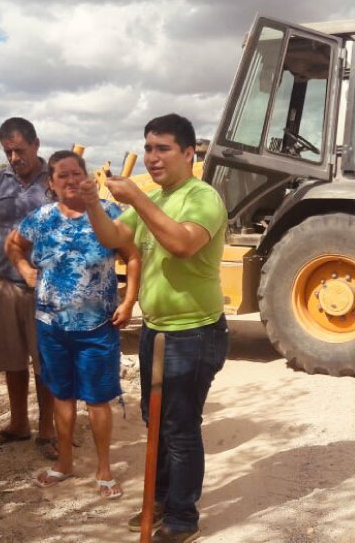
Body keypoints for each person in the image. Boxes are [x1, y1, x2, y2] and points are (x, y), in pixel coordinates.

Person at [79, 113, 228, 543]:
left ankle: (182, 519)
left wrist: (138, 198)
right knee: (156, 420)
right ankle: (160, 499)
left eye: (162, 148)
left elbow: (182, 244)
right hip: (157, 329)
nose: (152, 157)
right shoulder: (155, 200)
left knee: (180, 426)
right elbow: (112, 238)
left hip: (194, 332)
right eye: (147, 148)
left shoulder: (201, 197)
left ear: (188, 153)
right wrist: (93, 203)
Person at [6, 150, 141, 499]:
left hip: (98, 325)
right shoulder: (41, 218)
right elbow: (14, 246)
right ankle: (64, 463)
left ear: (88, 178)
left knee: (97, 400)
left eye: (75, 173)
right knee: (62, 397)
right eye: (61, 175)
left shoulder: (110, 213)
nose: (69, 180)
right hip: (51, 325)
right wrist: (25, 270)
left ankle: (104, 469)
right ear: (51, 183)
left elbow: (134, 255)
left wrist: (129, 301)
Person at [0, 117, 57, 460]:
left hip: (44, 285)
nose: (14, 158)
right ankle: (18, 424)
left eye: (20, 150)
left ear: (36, 144)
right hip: (1, 283)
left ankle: (48, 430)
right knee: (11, 357)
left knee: (46, 360)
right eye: (8, 152)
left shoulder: (55, 182)